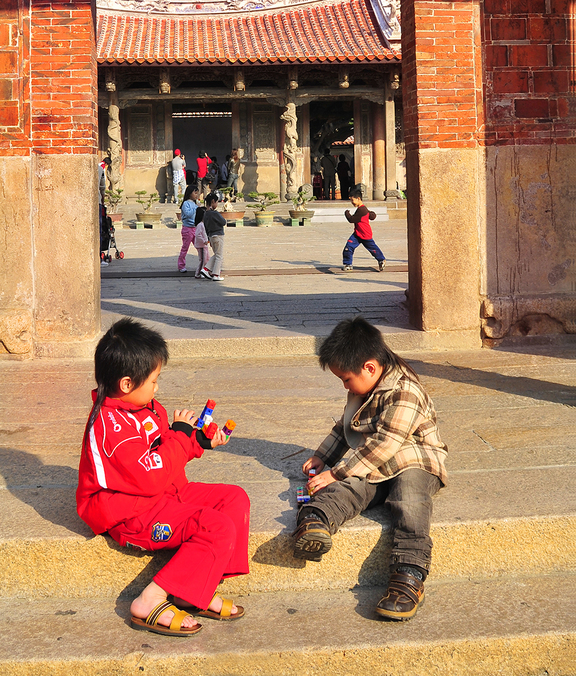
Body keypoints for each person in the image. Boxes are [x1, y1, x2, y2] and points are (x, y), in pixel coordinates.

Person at [76, 318, 250, 637]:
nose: (157, 387)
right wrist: (181, 434)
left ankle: (196, 587)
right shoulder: (111, 426)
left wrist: (197, 441)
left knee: (234, 499)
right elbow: (151, 476)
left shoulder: (145, 407)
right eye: (154, 380)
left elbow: (164, 450)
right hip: (132, 513)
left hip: (164, 494)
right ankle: (150, 599)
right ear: (127, 384)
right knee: (216, 525)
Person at [291, 316, 447, 622]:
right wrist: (324, 457)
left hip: (414, 460)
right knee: (352, 488)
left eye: (346, 379)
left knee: (409, 499)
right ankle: (316, 519)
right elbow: (345, 425)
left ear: (370, 367)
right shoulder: (364, 387)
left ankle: (408, 575)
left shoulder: (406, 392)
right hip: (374, 462)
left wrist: (335, 472)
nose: (345, 386)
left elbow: (386, 444)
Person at [342, 186, 385, 272]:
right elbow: (372, 216)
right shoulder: (363, 209)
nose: (352, 202)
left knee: (373, 250)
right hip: (357, 234)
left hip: (365, 234)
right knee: (348, 247)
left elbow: (352, 219)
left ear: (358, 198)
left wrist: (346, 213)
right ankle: (348, 264)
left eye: (352, 200)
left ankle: (381, 260)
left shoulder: (362, 210)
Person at [201, 192, 226, 281]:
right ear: (212, 202)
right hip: (218, 235)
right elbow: (223, 222)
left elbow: (205, 227)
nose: (217, 204)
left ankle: (206, 269)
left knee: (216, 254)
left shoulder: (205, 214)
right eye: (216, 202)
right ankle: (216, 274)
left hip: (211, 236)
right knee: (219, 256)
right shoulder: (214, 213)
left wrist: (208, 239)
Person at [177, 185, 199, 273]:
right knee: (185, 248)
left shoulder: (195, 203)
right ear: (190, 193)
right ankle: (181, 265)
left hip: (195, 228)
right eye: (195, 193)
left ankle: (204, 264)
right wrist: (196, 208)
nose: (196, 195)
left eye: (197, 193)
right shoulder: (186, 203)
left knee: (200, 247)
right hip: (187, 229)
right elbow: (188, 214)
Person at [193, 207, 210, 279]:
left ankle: (202, 272)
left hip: (203, 245)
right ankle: (198, 273)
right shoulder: (200, 225)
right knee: (203, 260)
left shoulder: (202, 224)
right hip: (202, 245)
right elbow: (198, 235)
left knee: (205, 259)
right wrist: (204, 241)